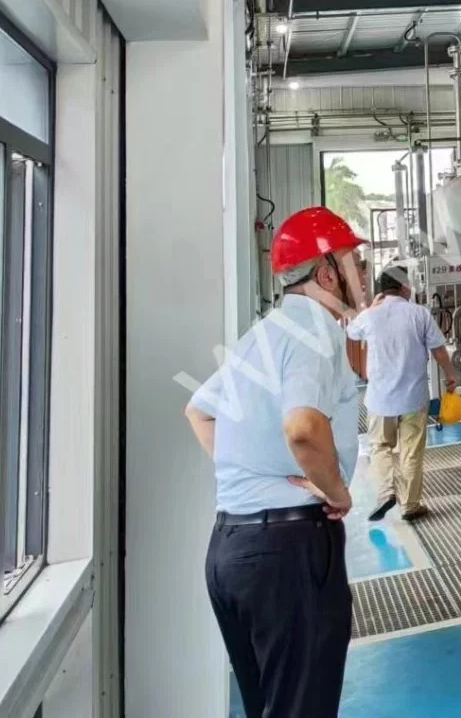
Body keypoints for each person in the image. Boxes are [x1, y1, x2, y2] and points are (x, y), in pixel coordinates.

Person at [185, 206, 367, 718]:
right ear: (327, 271)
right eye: (354, 261)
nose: (363, 274)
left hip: (232, 551)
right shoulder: (316, 328)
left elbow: (198, 411)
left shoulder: (260, 335)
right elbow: (304, 428)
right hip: (288, 555)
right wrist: (338, 493)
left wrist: (254, 473)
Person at [348, 265, 460, 521]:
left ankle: (386, 492)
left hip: (380, 399)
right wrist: (450, 374)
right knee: (411, 450)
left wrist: (370, 308)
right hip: (413, 397)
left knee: (380, 446)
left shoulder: (371, 316)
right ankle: (410, 504)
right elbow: (439, 350)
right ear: (405, 286)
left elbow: (351, 331)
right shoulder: (418, 314)